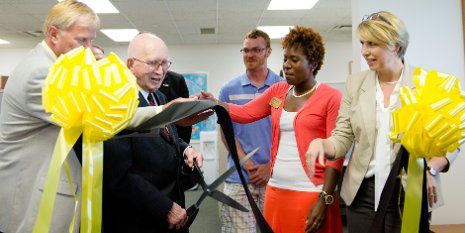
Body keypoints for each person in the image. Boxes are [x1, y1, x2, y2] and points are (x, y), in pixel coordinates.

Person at [305, 11, 453, 233]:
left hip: (408, 191)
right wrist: (323, 144)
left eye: (372, 44)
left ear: (395, 45)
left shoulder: (426, 84)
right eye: (363, 43)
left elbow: (452, 138)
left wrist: (430, 169)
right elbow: (343, 135)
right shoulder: (355, 84)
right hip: (362, 192)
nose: (364, 51)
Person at [201, 26, 343, 233]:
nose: (286, 66)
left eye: (294, 60)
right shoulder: (278, 91)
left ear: (313, 62)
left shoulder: (331, 97)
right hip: (276, 190)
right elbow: (245, 113)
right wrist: (214, 102)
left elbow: (336, 154)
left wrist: (325, 197)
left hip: (310, 190)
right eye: (285, 59)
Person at [0, 1, 99, 232]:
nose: (88, 49)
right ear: (54, 34)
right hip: (32, 199)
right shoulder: (42, 72)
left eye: (91, 40)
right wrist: (162, 113)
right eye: (82, 40)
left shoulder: (54, 68)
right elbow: (98, 116)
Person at [102, 32, 204, 233]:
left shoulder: (157, 95)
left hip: (171, 214)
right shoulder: (114, 103)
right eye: (153, 63)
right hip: (138, 219)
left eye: (165, 63)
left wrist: (185, 150)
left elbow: (167, 137)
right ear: (130, 64)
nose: (161, 71)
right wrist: (165, 208)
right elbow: (118, 174)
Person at [217, 28, 283, 233]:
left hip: (275, 177)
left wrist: (268, 166)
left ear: (268, 52)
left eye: (256, 50)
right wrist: (247, 164)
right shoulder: (228, 89)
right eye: (245, 50)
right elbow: (226, 132)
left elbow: (288, 133)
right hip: (239, 179)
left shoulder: (283, 87)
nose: (249, 55)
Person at [160, 70, 193, 143]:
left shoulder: (176, 79)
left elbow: (185, 118)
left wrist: (184, 149)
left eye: (164, 63)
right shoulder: (132, 83)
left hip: (175, 143)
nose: (159, 69)